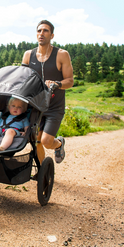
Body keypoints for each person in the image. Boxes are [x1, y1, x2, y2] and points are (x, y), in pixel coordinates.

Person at [22, 20, 74, 164]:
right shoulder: (28, 55)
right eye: (39, 31)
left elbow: (69, 81)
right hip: (36, 106)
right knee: (36, 140)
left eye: (45, 31)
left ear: (52, 35)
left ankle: (58, 144)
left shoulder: (62, 55)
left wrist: (57, 84)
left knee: (46, 141)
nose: (41, 33)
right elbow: (23, 79)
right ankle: (42, 172)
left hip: (54, 107)